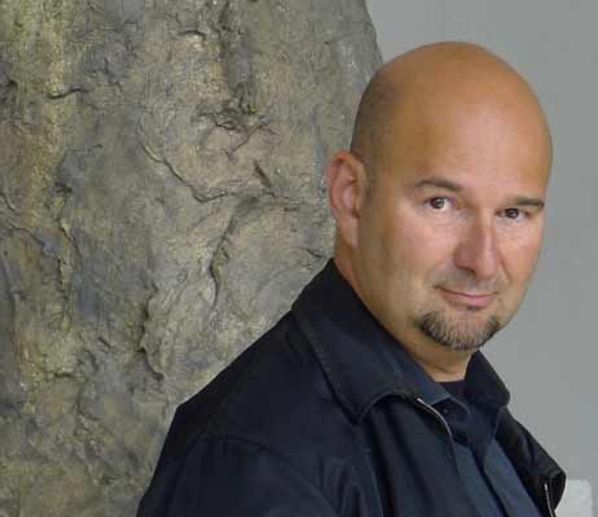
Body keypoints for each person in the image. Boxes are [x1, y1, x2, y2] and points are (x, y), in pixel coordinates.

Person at [138, 41, 565, 517]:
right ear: (351, 196)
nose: (482, 261)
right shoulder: (257, 461)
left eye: (513, 213)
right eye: (441, 203)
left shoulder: (478, 419)